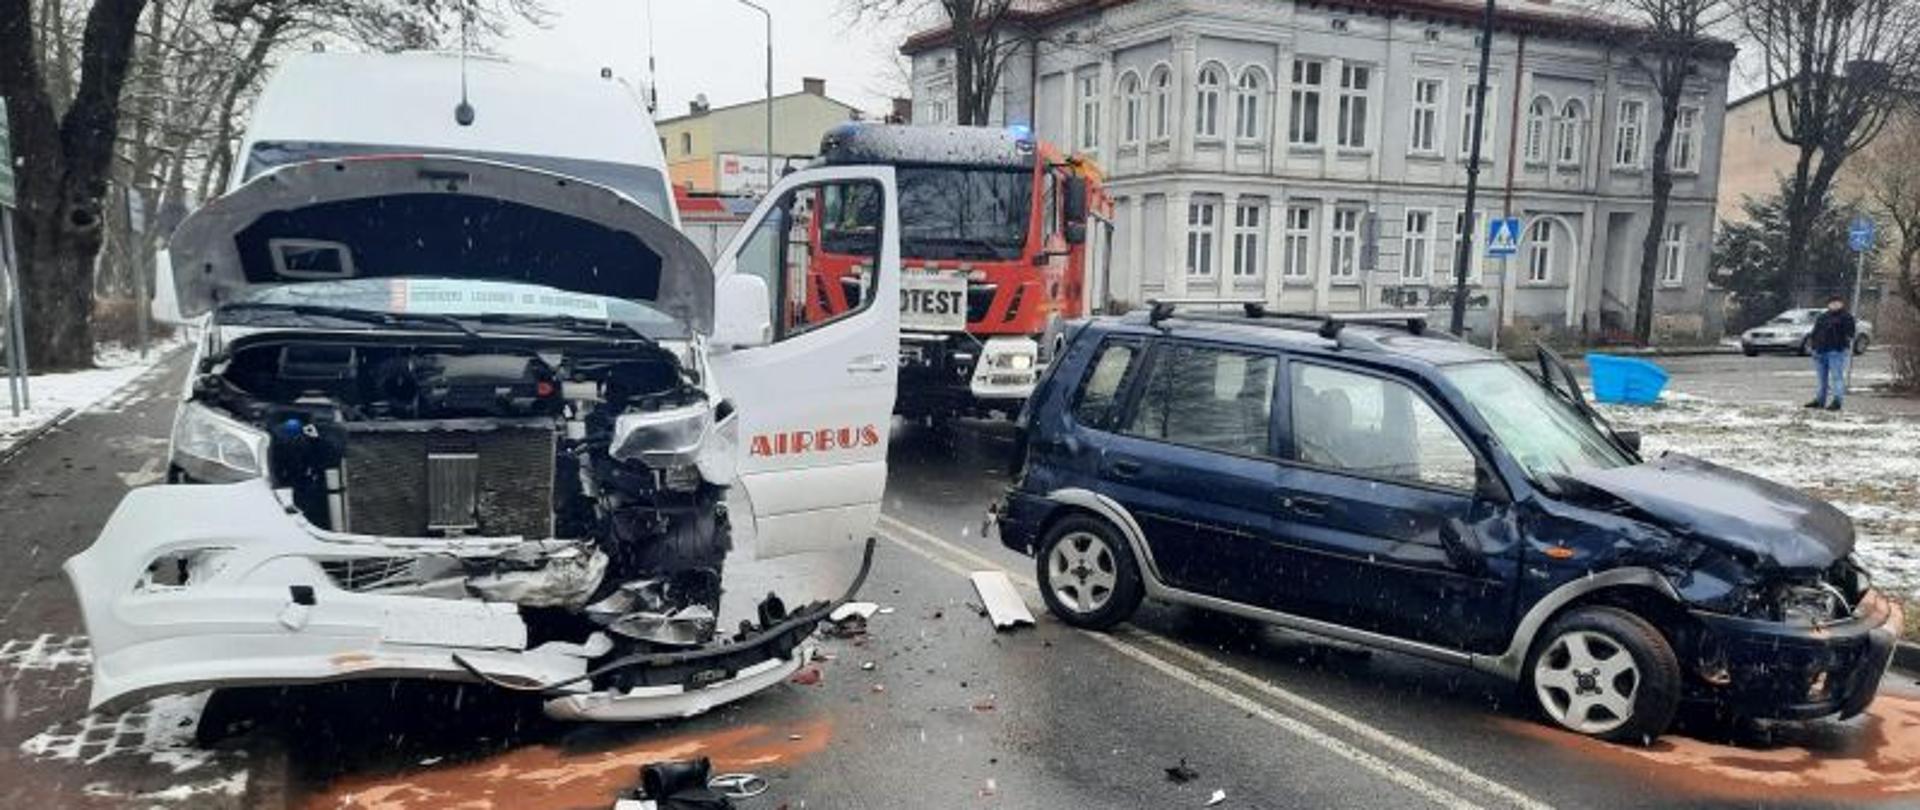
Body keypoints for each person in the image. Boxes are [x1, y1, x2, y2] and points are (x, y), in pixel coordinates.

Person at [1806, 296, 1858, 411]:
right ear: (1828, 305)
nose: (1834, 305)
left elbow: (1851, 333)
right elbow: (1815, 332)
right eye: (1832, 303)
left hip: (1836, 351)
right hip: (1820, 351)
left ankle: (1837, 401)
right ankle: (1820, 400)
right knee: (1821, 379)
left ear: (1841, 304)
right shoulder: (1823, 317)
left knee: (1836, 377)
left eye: (1837, 303)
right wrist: (1813, 347)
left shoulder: (1846, 317)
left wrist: (1841, 333)